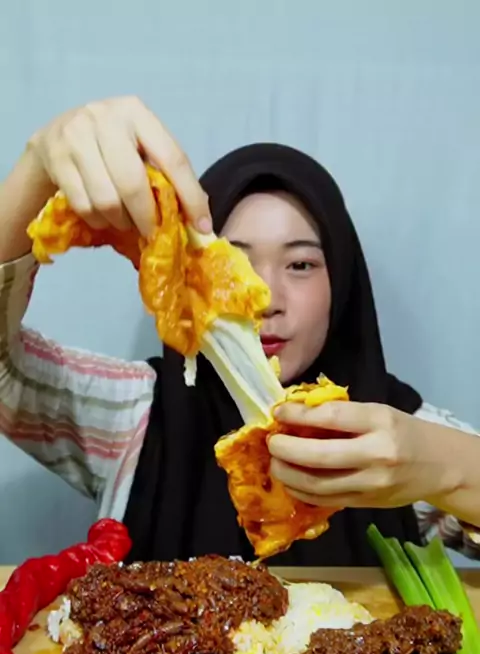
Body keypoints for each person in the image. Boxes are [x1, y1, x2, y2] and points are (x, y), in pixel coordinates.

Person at [1, 96, 480, 567]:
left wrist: (447, 469)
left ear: (343, 281)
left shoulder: (398, 436)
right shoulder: (133, 414)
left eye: (300, 264)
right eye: (235, 264)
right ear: (190, 280)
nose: (266, 298)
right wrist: (37, 166)